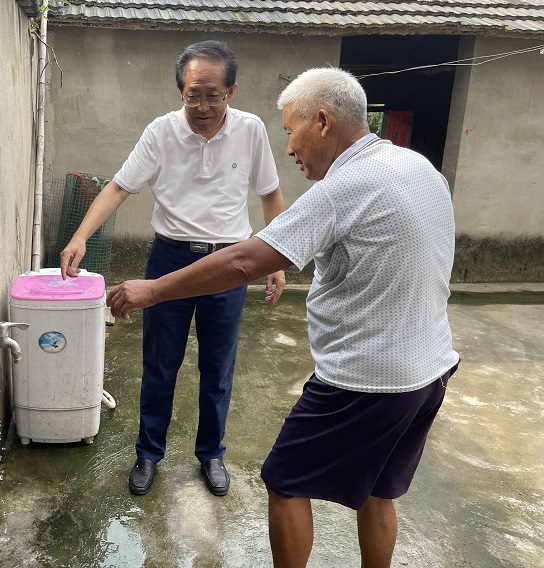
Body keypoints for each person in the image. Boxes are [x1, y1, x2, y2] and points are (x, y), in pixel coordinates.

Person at [106, 67, 459, 568]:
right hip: (429, 370)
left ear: (321, 122)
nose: (289, 148)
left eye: (291, 130)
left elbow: (245, 261)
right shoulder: (418, 167)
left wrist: (154, 290)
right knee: (379, 490)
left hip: (365, 379)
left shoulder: (345, 187)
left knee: (286, 481)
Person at [60, 40, 286, 497]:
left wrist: (276, 258)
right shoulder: (160, 133)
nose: (202, 105)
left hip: (230, 263)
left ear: (231, 91)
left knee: (217, 367)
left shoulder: (251, 130)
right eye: (192, 95)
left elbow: (269, 194)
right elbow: (120, 188)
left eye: (212, 94)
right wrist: (80, 235)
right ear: (180, 91)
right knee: (160, 364)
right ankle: (148, 453)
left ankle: (211, 454)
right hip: (170, 258)